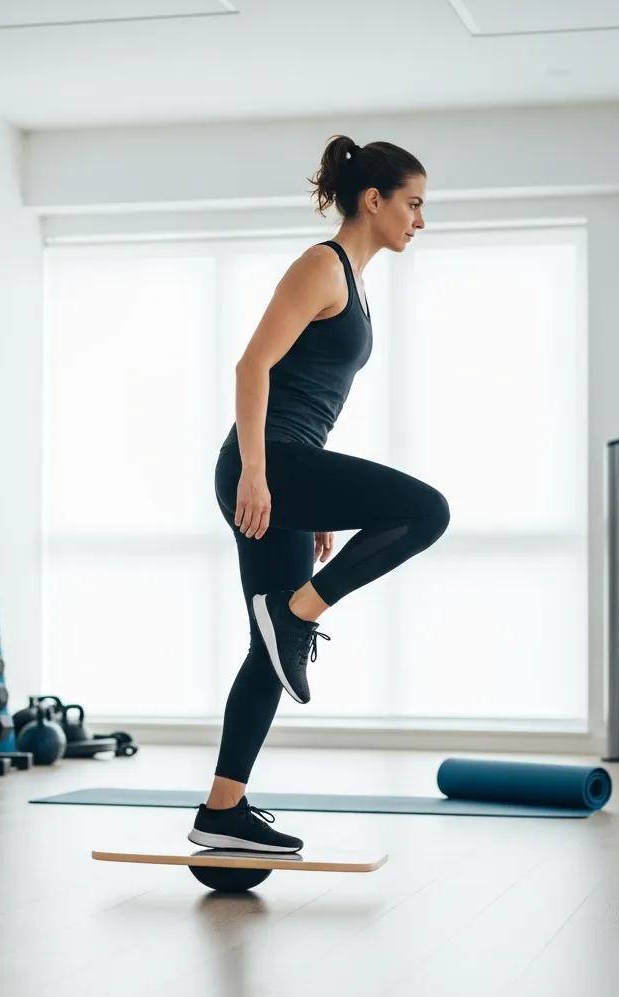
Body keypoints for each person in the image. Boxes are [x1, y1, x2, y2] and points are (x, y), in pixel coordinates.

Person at [187, 134, 451, 855]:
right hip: (264, 466)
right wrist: (257, 473)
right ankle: (295, 612)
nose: (420, 221)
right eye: (414, 204)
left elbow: (309, 398)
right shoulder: (322, 266)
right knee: (427, 511)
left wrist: (315, 503)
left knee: (268, 653)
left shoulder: (353, 281)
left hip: (290, 468)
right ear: (375, 200)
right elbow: (252, 367)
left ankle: (222, 809)